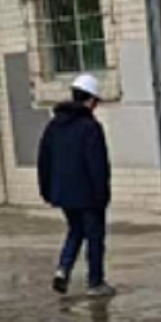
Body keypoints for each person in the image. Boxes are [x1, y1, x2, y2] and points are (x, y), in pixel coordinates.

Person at [37, 73, 115, 298]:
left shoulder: (54, 126)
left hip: (63, 193)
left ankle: (63, 269)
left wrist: (47, 190)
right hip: (88, 195)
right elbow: (97, 165)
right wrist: (102, 194)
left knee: (75, 230)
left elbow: (44, 161)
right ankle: (95, 281)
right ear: (90, 100)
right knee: (94, 237)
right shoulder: (90, 127)